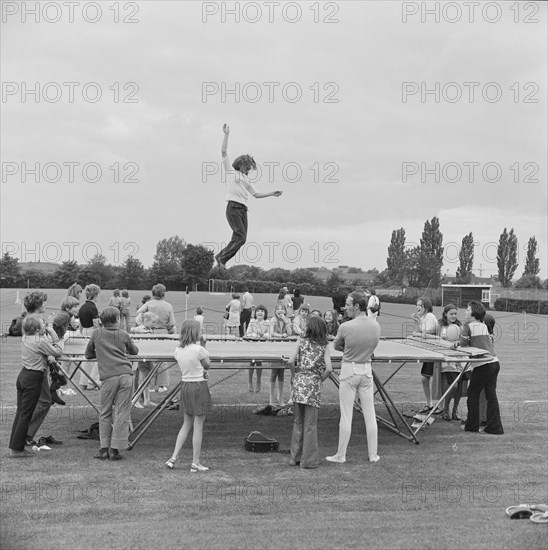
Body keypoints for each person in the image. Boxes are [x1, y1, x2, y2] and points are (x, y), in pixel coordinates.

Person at [214, 123, 283, 268]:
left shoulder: (246, 179)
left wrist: (272, 193)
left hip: (243, 209)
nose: (249, 169)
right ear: (240, 165)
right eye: (247, 167)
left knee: (242, 238)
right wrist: (226, 135)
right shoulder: (231, 172)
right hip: (232, 207)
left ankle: (222, 258)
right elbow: (223, 152)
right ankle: (221, 258)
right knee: (240, 235)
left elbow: (256, 194)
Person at [326, 291, 381, 464]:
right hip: (366, 371)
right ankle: (373, 454)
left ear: (357, 306)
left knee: (346, 415)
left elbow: (336, 345)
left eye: (348, 304)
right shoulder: (375, 326)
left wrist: (347, 350)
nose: (345, 307)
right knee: (370, 414)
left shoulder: (345, 326)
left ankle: (341, 455)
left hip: (350, 370)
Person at [85, 307, 139, 460]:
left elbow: (88, 354)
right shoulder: (123, 334)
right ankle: (115, 449)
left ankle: (103, 449)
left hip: (108, 377)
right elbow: (134, 351)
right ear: (117, 320)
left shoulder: (97, 333)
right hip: (125, 375)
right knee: (122, 412)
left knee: (105, 412)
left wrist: (101, 353)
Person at [8, 315, 64, 457]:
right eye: (42, 324)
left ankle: (15, 446)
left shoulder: (26, 337)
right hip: (33, 378)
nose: (45, 325)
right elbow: (58, 351)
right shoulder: (40, 341)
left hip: (23, 376)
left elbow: (45, 346)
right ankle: (16, 450)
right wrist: (53, 333)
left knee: (20, 413)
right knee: (25, 415)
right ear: (37, 329)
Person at [166, 320, 212, 472]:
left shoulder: (178, 350)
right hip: (198, 386)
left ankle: (173, 457)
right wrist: (204, 345)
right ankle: (195, 462)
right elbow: (207, 365)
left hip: (185, 386)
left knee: (186, 423)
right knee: (198, 425)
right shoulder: (199, 349)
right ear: (194, 333)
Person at [287, 316, 333, 469]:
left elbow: (290, 361)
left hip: (299, 384)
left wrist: (295, 375)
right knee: (310, 424)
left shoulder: (300, 341)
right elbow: (329, 368)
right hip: (313, 386)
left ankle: (294, 457)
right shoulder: (323, 346)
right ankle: (309, 460)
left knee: (298, 422)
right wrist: (320, 379)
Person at [459, 304, 504, 435]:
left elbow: (463, 345)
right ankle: (495, 427)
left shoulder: (467, 326)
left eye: (467, 310)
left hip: (483, 365)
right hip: (495, 363)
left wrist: (456, 344)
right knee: (491, 396)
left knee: (472, 394)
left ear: (474, 313)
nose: (465, 312)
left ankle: (472, 426)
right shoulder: (483, 325)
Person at [135, 284, 176, 392]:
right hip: (162, 333)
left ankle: (151, 385)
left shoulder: (148, 304)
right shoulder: (168, 306)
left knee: (150, 359)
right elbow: (172, 323)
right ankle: (162, 385)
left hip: (150, 333)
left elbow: (138, 313)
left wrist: (144, 323)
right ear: (163, 293)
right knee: (162, 360)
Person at [411, 297, 441, 414]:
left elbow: (424, 334)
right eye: (417, 305)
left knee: (430, 379)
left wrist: (418, 325)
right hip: (428, 351)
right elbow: (417, 332)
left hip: (434, 352)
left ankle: (436, 404)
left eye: (420, 305)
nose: (417, 307)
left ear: (426, 307)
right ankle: (430, 404)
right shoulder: (423, 318)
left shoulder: (429, 316)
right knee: (425, 378)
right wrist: (417, 322)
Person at [50, 296, 81, 404]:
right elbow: (54, 323)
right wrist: (54, 339)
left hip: (58, 340)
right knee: (56, 366)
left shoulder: (68, 315)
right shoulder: (64, 315)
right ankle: (57, 390)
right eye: (75, 307)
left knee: (57, 366)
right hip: (56, 342)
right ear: (67, 307)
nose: (77, 309)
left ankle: (57, 390)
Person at [436, 304, 464, 422]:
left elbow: (464, 340)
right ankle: (445, 409)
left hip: (461, 360)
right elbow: (436, 340)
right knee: (452, 386)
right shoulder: (440, 326)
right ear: (445, 314)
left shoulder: (460, 325)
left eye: (455, 314)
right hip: (447, 361)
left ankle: (455, 411)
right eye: (451, 313)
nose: (454, 316)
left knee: (460, 388)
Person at [130, 312, 160, 408]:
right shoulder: (141, 329)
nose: (154, 324)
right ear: (146, 321)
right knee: (145, 379)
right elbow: (133, 330)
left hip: (148, 356)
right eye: (153, 322)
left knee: (148, 378)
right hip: (141, 357)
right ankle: (135, 399)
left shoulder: (148, 329)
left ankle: (147, 400)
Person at [78, 284, 102, 390]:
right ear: (95, 295)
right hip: (93, 332)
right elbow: (96, 324)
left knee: (86, 358)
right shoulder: (93, 308)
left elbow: (80, 325)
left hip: (85, 332)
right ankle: (93, 381)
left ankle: (84, 382)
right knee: (98, 358)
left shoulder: (82, 307)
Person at [269, 304, 293, 406]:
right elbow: (271, 333)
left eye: (282, 309)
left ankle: (280, 397)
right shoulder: (273, 320)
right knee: (274, 373)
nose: (280, 311)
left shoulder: (287, 320)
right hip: (275, 348)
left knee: (282, 373)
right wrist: (281, 336)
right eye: (277, 309)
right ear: (275, 311)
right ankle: (271, 399)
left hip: (284, 349)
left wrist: (285, 320)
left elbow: (290, 332)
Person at [245, 305, 270, 392]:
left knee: (259, 362)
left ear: (265, 314)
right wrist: (253, 335)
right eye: (258, 311)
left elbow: (269, 334)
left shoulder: (267, 322)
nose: (260, 313)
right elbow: (247, 333)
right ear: (255, 313)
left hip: (261, 346)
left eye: (262, 311)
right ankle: (250, 381)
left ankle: (258, 381)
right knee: (251, 362)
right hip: (252, 345)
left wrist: (262, 334)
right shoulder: (252, 321)